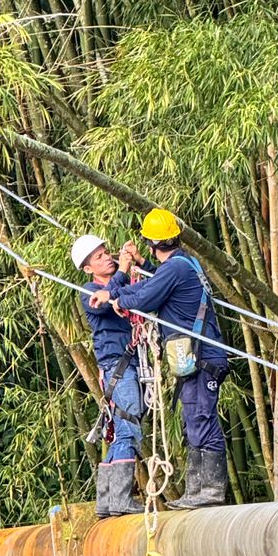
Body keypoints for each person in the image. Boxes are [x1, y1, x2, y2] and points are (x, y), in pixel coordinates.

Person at [88, 208, 228, 510]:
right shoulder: (183, 263)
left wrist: (114, 298)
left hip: (202, 356)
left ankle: (210, 490)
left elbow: (145, 298)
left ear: (152, 243)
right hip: (194, 357)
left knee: (200, 419)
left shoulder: (175, 269)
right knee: (194, 419)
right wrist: (137, 269)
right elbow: (152, 284)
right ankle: (196, 491)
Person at [72, 232, 145, 517]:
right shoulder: (90, 291)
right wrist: (124, 269)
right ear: (89, 268)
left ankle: (106, 502)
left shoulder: (120, 284)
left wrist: (136, 261)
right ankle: (121, 499)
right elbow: (106, 300)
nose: (107, 257)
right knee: (128, 424)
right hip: (119, 364)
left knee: (120, 430)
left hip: (126, 361)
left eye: (106, 252)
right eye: (99, 256)